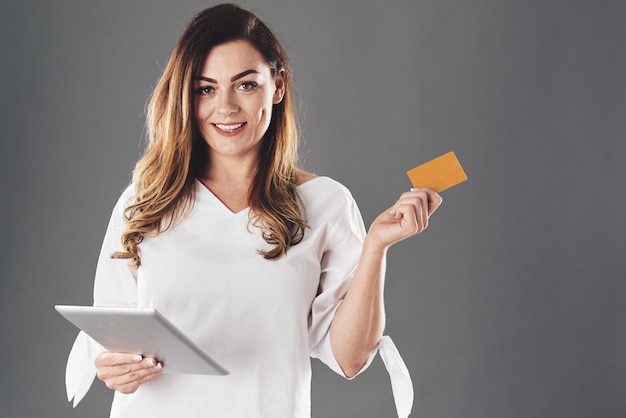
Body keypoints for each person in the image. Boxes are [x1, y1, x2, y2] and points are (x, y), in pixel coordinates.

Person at [64, 3, 442, 418]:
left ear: (278, 85)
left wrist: (376, 247)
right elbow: (111, 337)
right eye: (205, 88)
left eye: (245, 85)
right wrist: (113, 367)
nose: (224, 107)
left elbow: (350, 359)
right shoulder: (146, 199)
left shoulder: (326, 204)